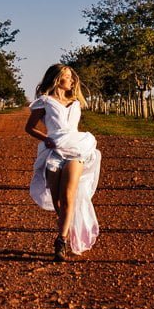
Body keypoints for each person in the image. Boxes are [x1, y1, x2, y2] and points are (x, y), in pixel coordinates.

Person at [24, 64, 101, 262]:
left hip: (76, 149)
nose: (73, 80)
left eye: (72, 77)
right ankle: (67, 225)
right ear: (58, 79)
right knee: (58, 200)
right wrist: (45, 139)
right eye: (68, 77)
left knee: (68, 196)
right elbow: (29, 128)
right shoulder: (44, 102)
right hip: (54, 150)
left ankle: (61, 240)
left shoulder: (75, 102)